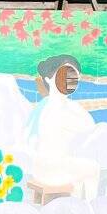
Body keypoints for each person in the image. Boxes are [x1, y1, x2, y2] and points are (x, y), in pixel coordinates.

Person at [26, 55, 101, 200]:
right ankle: (87, 204)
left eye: (74, 77)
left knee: (78, 166)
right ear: (48, 79)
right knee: (93, 168)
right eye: (64, 74)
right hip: (52, 169)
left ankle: (76, 203)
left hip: (39, 166)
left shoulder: (44, 104)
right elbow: (88, 126)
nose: (70, 80)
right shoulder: (59, 107)